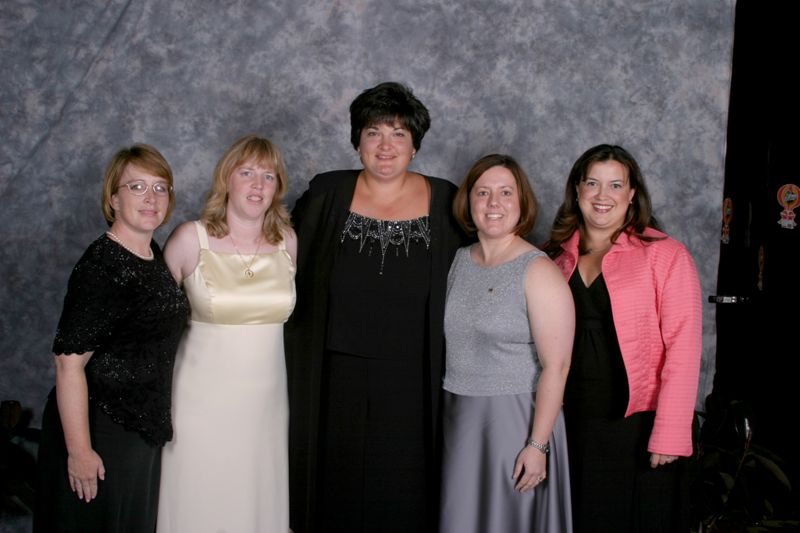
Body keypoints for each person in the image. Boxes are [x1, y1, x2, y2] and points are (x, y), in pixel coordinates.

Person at [285, 81, 466, 533]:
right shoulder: (326, 194)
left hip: (415, 376)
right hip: (335, 372)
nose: (385, 146)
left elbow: (487, 263)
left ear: (416, 145)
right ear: (357, 141)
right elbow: (276, 258)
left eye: (399, 134)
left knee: (404, 493)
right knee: (336, 490)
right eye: (373, 133)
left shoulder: (447, 200)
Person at [544, 144, 702, 532]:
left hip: (638, 424)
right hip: (574, 421)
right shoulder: (555, 257)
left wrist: (670, 432)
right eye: (592, 183)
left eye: (615, 185)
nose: (603, 196)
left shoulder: (665, 254)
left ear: (631, 193)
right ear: (577, 190)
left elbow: (684, 348)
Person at [34, 144, 189, 533]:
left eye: (160, 187)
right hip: (100, 429)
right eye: (137, 187)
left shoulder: (149, 252)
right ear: (113, 199)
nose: (151, 198)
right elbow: (68, 363)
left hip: (139, 429)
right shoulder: (102, 266)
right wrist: (80, 451)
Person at [156, 135, 296, 533]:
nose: (257, 185)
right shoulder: (190, 239)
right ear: (226, 180)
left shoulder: (288, 242)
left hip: (266, 406)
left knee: (253, 499)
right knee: (199, 497)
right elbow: (151, 326)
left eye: (268, 176)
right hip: (200, 402)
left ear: (277, 187)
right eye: (247, 173)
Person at [439, 154, 575, 533]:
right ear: (469, 202)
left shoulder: (539, 271)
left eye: (505, 193)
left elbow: (557, 366)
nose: (493, 203)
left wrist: (538, 444)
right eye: (483, 193)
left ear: (522, 203)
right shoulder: (457, 261)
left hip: (517, 421)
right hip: (460, 419)